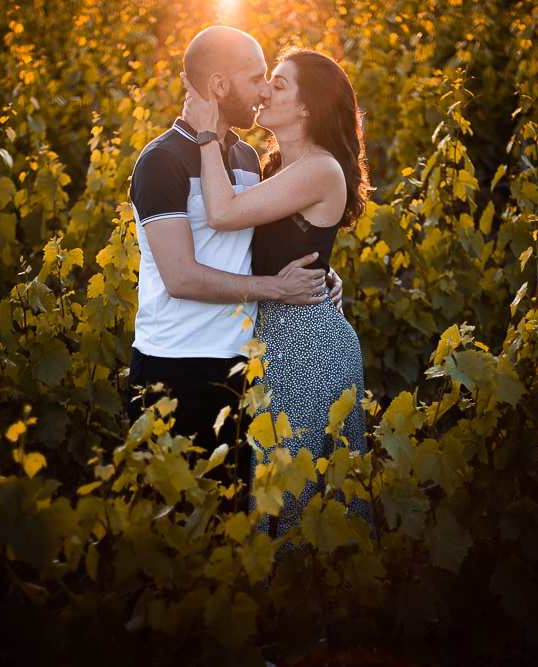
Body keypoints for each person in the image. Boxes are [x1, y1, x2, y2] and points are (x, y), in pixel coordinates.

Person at [127, 27, 343, 498]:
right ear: (220, 86)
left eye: (272, 80)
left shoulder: (246, 156)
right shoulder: (160, 161)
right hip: (176, 369)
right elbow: (180, 277)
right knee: (176, 531)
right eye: (257, 78)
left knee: (238, 530)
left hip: (244, 370)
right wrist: (278, 288)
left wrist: (319, 272)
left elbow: (266, 234)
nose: (265, 89)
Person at [180, 47, 371, 539]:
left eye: (279, 84)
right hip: (277, 341)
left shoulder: (321, 169)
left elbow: (222, 213)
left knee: (294, 506)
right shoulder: (278, 166)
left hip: (307, 347)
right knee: (278, 495)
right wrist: (328, 275)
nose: (264, 90)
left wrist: (205, 131)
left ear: (307, 107)